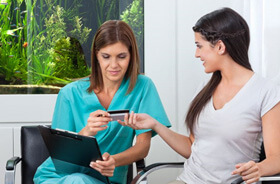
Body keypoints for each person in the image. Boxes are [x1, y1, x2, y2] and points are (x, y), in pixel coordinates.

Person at [119, 8, 280, 184]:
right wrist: (155, 125)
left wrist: (259, 169)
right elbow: (192, 147)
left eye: (199, 46)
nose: (197, 54)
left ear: (220, 46)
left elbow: (276, 158)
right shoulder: (206, 88)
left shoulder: (265, 91)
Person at [33, 20, 171, 184]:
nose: (114, 65)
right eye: (106, 57)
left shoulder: (142, 87)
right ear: (96, 56)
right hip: (58, 177)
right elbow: (61, 155)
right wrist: (86, 132)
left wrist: (114, 161)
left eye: (121, 56)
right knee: (77, 180)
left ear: (131, 55)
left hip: (106, 180)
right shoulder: (69, 93)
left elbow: (143, 147)